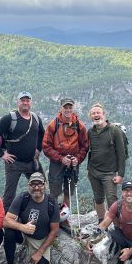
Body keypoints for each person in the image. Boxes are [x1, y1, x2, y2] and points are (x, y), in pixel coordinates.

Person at [0, 91, 45, 212]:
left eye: (27, 100)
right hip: (14, 163)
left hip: (32, 162)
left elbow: (42, 134)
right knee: (9, 195)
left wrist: (38, 149)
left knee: (40, 189)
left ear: (31, 102)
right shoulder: (10, 118)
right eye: (22, 100)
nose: (25, 103)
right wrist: (2, 154)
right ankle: (5, 222)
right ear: (18, 102)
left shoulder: (35, 118)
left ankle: (39, 214)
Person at [3, 172, 60, 264]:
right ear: (29, 186)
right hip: (23, 235)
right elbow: (6, 221)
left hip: (40, 239)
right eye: (33, 184)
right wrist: (22, 227)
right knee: (9, 231)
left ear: (45, 185)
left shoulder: (51, 202)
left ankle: (34, 250)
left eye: (40, 184)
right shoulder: (23, 198)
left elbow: (54, 230)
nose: (36, 187)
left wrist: (40, 252)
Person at [42, 97, 89, 229]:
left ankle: (65, 218)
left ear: (73, 108)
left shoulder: (80, 126)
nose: (68, 110)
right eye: (65, 107)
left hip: (73, 163)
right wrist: (60, 158)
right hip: (57, 163)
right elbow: (46, 146)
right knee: (54, 192)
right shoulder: (53, 125)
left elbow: (85, 146)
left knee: (68, 191)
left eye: (70, 107)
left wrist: (77, 159)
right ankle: (54, 219)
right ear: (61, 108)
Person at [86, 103, 126, 222]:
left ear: (104, 114)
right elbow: (90, 151)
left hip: (109, 173)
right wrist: (88, 169)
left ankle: (118, 227)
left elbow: (121, 153)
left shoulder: (114, 130)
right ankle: (101, 223)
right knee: (98, 199)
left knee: (112, 201)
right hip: (93, 172)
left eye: (98, 112)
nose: (96, 115)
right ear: (90, 116)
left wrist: (120, 174)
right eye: (93, 113)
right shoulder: (90, 132)